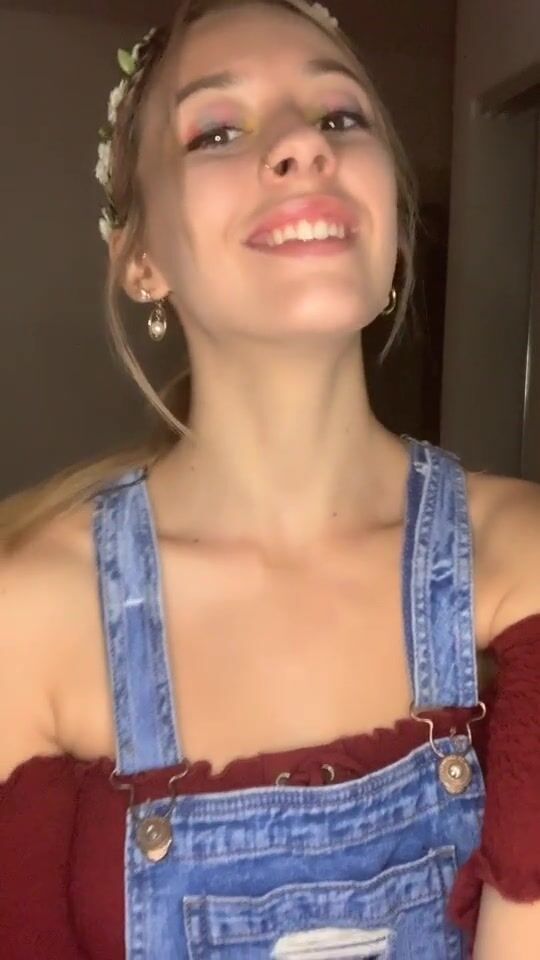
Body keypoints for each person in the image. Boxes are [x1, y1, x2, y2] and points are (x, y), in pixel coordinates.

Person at [1, 1, 540, 957]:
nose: (302, 145)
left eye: (340, 117)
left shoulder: (525, 559)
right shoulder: (26, 615)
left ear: (394, 227)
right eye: (216, 130)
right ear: (141, 258)